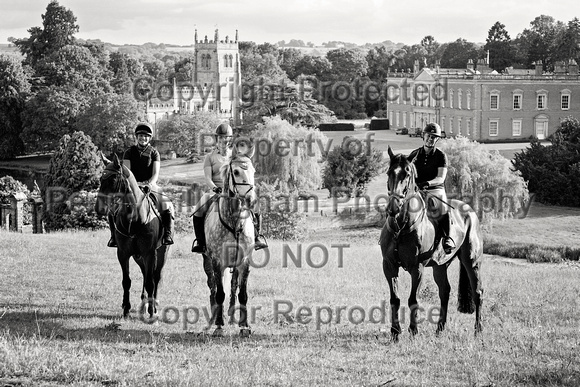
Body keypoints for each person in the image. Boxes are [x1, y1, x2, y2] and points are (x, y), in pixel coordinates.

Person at [191, 122, 267, 253]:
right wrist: (215, 188)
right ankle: (201, 242)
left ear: (230, 140)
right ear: (217, 139)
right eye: (220, 138)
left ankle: (257, 236)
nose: (223, 140)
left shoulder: (235, 156)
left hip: (235, 190)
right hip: (216, 190)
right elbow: (208, 178)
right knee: (197, 210)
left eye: (226, 138)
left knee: (256, 205)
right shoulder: (210, 157)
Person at [107, 122, 174, 247]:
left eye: (146, 136)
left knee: (166, 204)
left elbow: (155, 173)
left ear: (150, 138)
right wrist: (135, 185)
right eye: (140, 135)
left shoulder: (154, 153)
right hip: (132, 186)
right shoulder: (129, 152)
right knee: (112, 208)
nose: (143, 138)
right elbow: (127, 173)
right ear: (136, 137)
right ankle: (113, 237)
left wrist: (150, 184)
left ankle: (167, 234)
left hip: (150, 185)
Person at [407, 122, 455, 254]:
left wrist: (427, 184)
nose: (430, 139)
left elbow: (441, 178)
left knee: (441, 207)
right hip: (416, 189)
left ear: (437, 139)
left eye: (434, 137)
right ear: (423, 136)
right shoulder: (414, 154)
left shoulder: (441, 156)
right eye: (428, 136)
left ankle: (447, 238)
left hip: (434, 189)